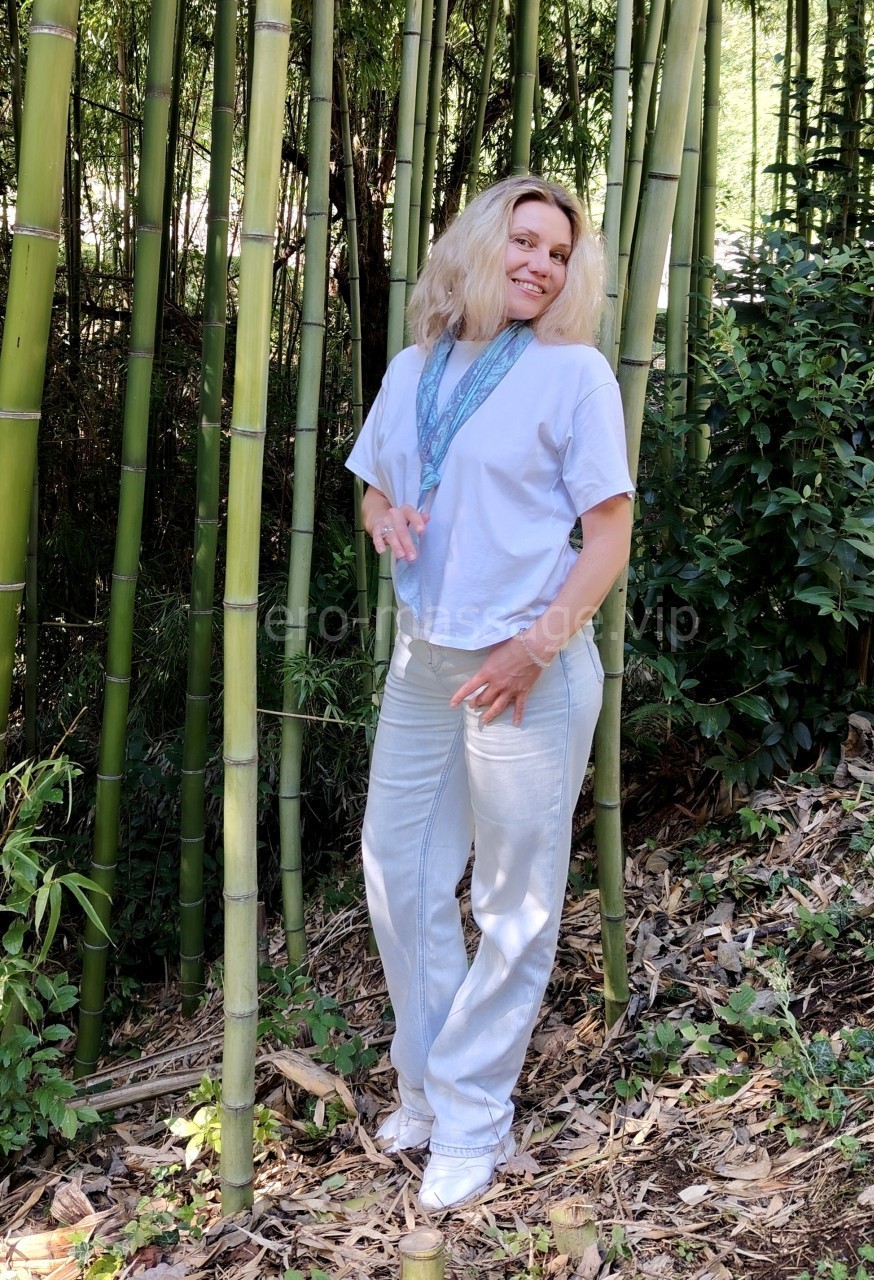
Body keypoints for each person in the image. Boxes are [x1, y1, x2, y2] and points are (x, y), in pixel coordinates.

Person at [345, 175, 633, 1211]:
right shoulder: (416, 365)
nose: (540, 265)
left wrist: (532, 650)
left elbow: (609, 535)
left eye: (558, 253)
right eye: (524, 241)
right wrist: (383, 516)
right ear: (478, 244)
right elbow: (377, 483)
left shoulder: (573, 374)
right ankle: (427, 1085)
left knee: (513, 899)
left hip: (528, 669)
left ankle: (475, 1118)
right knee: (399, 869)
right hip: (426, 660)